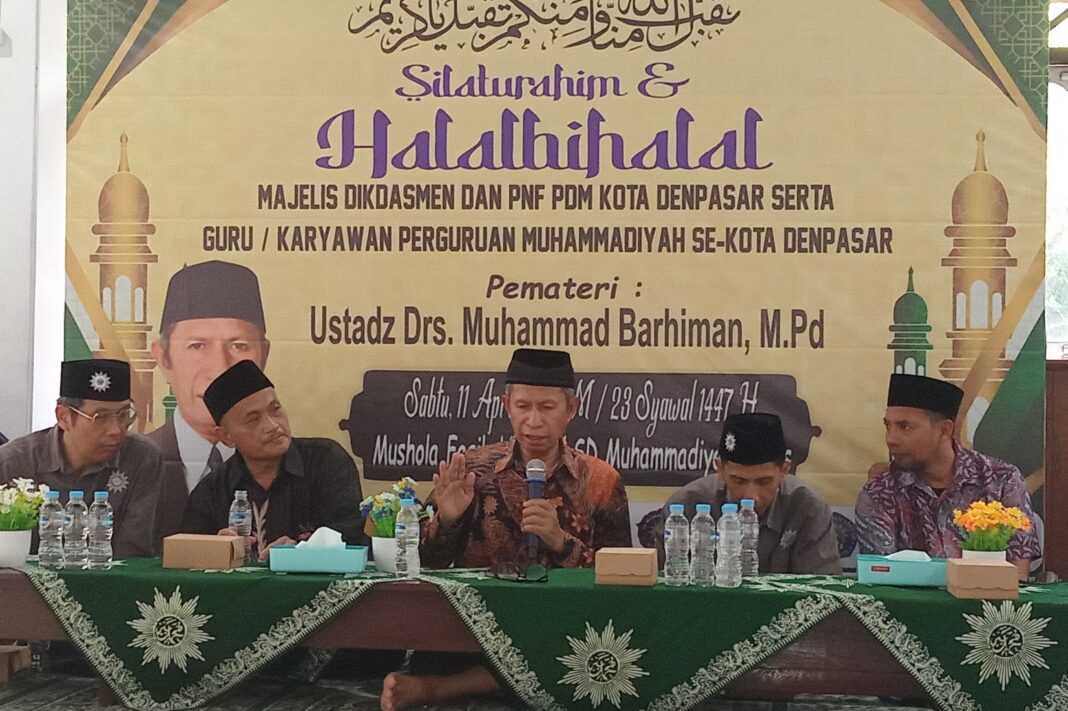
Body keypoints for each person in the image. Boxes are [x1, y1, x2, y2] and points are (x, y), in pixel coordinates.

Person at [380, 348, 632, 711]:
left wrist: (561, 542)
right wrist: (447, 521)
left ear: (571, 409)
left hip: (562, 627)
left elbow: (623, 578)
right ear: (506, 406)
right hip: (477, 627)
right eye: (523, 406)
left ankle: (437, 689)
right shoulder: (471, 470)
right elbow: (422, 562)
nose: (534, 421)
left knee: (578, 655)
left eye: (547, 408)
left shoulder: (600, 481)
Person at [855, 373, 1041, 579]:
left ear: (944, 430)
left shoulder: (1001, 480)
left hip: (987, 598)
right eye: (888, 426)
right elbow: (882, 576)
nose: (891, 439)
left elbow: (1016, 573)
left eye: (904, 427)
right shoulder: (879, 493)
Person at [180, 360, 364, 560]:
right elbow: (185, 555)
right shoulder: (213, 491)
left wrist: (301, 552)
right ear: (226, 436)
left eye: (275, 409)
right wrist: (214, 549)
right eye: (253, 419)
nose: (273, 425)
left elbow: (351, 538)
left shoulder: (326, 461)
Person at [149, 260, 269, 540]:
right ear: (163, 358)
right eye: (197, 346)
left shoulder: (291, 465)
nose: (220, 370)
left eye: (239, 346)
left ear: (264, 356)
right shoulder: (136, 461)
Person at [0, 359, 161, 556]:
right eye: (100, 417)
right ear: (63, 417)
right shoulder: (13, 463)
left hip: (112, 574)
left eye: (123, 414)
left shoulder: (141, 457)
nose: (116, 430)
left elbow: (134, 550)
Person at [653, 412, 841, 574]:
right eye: (738, 480)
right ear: (720, 469)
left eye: (764, 481)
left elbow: (824, 591)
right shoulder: (687, 505)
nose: (750, 496)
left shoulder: (807, 507)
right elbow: (662, 586)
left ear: (784, 470)